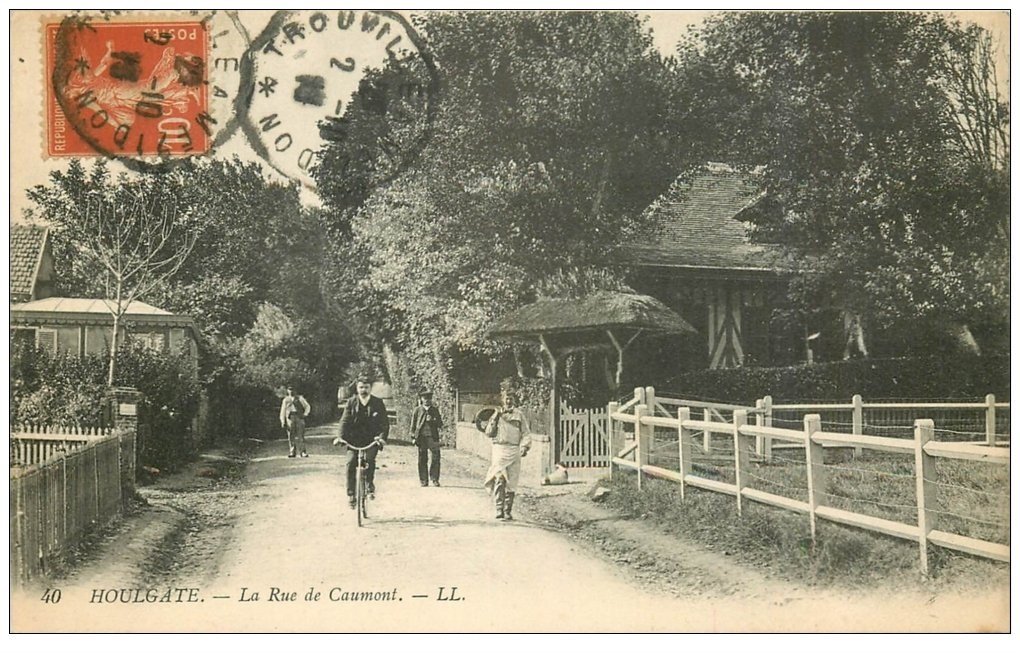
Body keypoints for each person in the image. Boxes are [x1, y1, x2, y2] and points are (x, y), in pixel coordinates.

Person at [335, 377, 389, 508]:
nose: (363, 390)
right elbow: (344, 421)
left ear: (370, 388)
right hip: (354, 440)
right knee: (350, 463)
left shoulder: (377, 403)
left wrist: (381, 437)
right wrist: (340, 437)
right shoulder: (351, 402)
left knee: (370, 460)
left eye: (366, 387)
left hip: (372, 440)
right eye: (361, 387)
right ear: (357, 388)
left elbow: (384, 424)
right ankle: (351, 494)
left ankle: (369, 485)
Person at [483, 381, 532, 521]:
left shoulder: (519, 415)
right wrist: (496, 417)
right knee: (499, 478)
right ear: (503, 400)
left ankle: (508, 510)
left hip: (514, 450)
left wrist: (524, 446)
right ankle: (499, 509)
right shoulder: (496, 414)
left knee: (512, 482)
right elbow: (488, 433)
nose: (509, 401)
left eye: (511, 398)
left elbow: (526, 433)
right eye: (506, 398)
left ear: (514, 400)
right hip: (499, 450)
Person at [408, 390, 443, 487]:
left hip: (433, 438)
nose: (427, 400)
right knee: (422, 458)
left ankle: (434, 478)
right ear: (421, 399)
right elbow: (413, 425)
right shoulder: (417, 410)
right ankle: (423, 480)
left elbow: (440, 424)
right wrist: (413, 437)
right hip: (421, 438)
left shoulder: (434, 410)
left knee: (436, 457)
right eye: (425, 398)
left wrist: (433, 420)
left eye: (429, 398)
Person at [279, 386, 311, 458]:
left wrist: (305, 414)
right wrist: (282, 421)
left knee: (301, 435)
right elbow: (283, 411)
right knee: (291, 435)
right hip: (290, 418)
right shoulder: (286, 400)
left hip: (299, 417)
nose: (291, 391)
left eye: (292, 389)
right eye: (289, 390)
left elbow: (307, 406)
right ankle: (292, 452)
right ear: (287, 391)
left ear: (295, 390)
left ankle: (303, 452)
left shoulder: (300, 398)